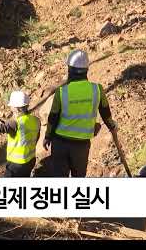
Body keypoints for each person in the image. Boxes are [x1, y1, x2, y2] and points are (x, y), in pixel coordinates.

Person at [43, 49, 118, 177]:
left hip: (60, 143)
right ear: (86, 69)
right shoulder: (97, 89)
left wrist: (47, 137)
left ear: (69, 69)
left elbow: (53, 118)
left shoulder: (61, 92)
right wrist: (112, 126)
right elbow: (106, 113)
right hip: (81, 146)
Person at [0, 90, 40, 177]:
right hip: (30, 161)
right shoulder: (36, 120)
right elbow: (35, 137)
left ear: (16, 108)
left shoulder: (16, 123)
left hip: (16, 165)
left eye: (11, 105)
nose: (10, 107)